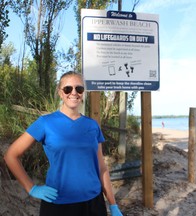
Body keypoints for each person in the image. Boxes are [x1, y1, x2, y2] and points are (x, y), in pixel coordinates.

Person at [4, 71, 122, 216]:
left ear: (83, 93)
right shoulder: (45, 123)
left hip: (94, 203)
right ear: (60, 93)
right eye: (68, 89)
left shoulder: (92, 125)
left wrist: (113, 204)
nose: (74, 93)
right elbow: (11, 155)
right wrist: (32, 188)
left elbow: (102, 168)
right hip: (58, 204)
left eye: (79, 89)